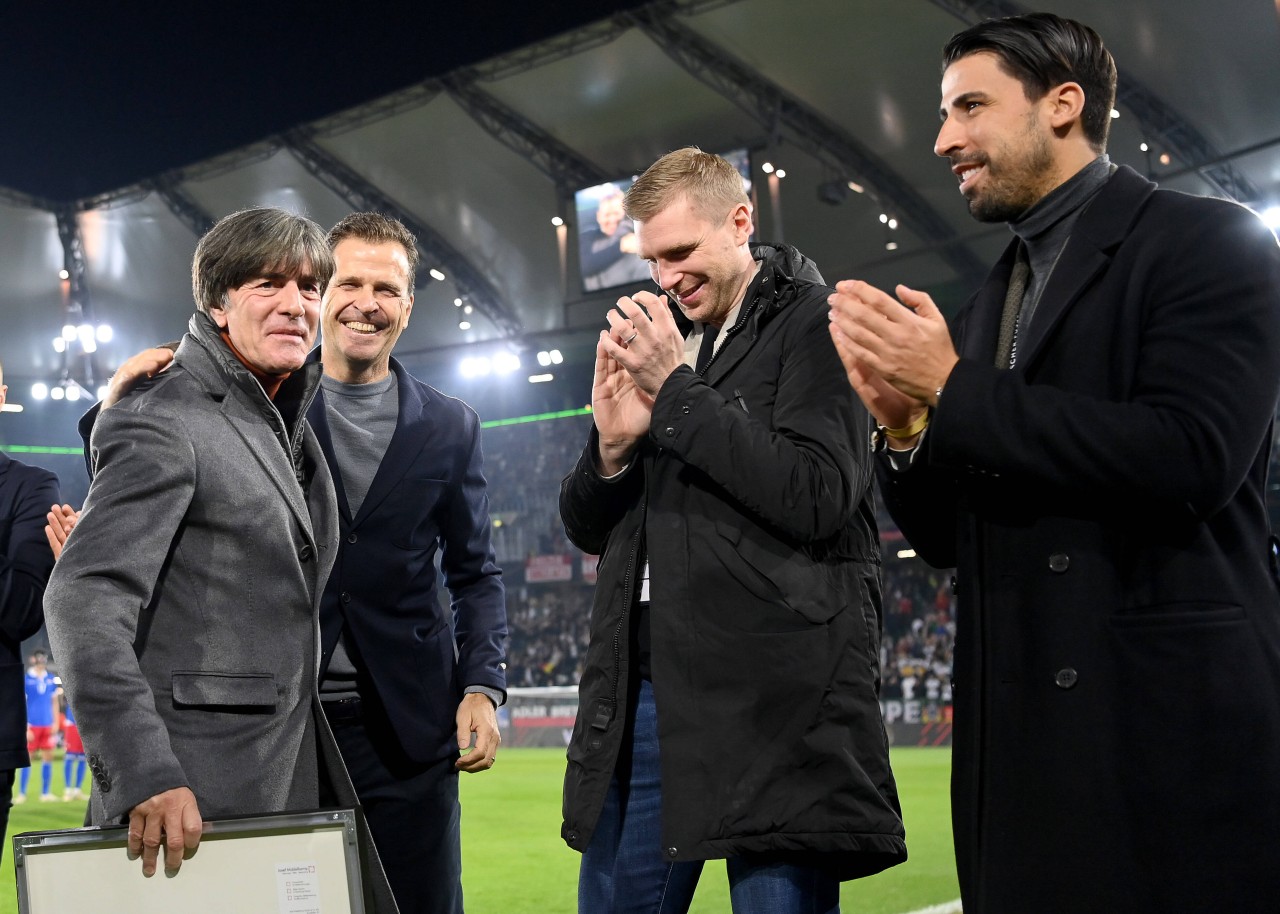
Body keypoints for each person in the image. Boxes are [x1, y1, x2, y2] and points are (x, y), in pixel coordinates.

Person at [827, 13, 1280, 913]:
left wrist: (954, 392)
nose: (943, 138)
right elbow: (953, 538)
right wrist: (907, 430)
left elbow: (1195, 457)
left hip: (1161, 735)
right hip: (1020, 744)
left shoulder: (1209, 241)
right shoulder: (998, 290)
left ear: (1063, 104)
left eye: (970, 107)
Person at [67, 212, 506, 914]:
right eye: (344, 281)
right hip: (273, 730)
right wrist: (112, 410)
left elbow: (476, 571)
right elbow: (117, 542)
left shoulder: (439, 423)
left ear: (409, 303)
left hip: (404, 726)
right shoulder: (253, 400)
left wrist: (483, 682)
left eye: (384, 287)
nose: (361, 300)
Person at [560, 147, 906, 914]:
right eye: (652, 260)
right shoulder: (666, 341)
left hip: (777, 698)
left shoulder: (819, 322)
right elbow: (587, 529)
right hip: (646, 691)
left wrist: (675, 392)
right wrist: (610, 451)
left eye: (680, 253)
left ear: (741, 221)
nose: (664, 279)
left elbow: (819, 493)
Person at [580, 184, 643, 292]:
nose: (612, 219)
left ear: (624, 213)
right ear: (599, 216)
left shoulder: (635, 232)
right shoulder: (587, 236)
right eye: (607, 214)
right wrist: (621, 246)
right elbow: (584, 267)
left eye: (616, 213)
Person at [19, 649, 58, 802]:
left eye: (44, 660)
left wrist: (55, 722)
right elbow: (21, 704)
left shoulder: (50, 678)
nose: (41, 663)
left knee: (48, 758)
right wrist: (26, 726)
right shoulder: (27, 679)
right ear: (33, 659)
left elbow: (54, 702)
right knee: (27, 759)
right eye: (39, 660)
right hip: (32, 724)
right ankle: (22, 793)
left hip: (47, 724)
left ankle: (46, 793)